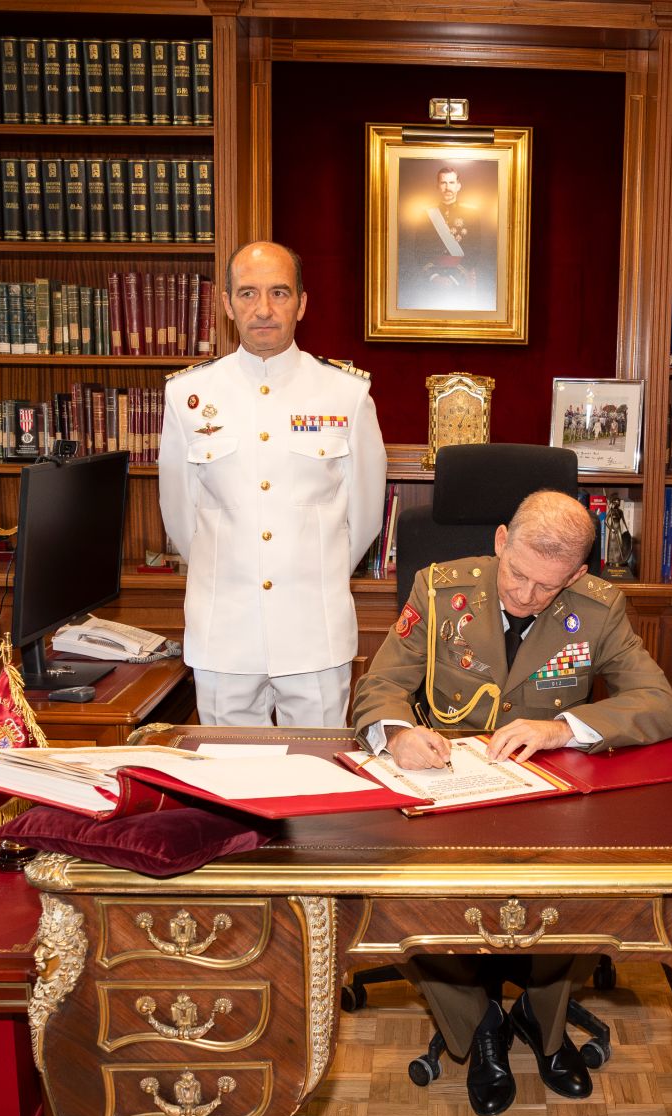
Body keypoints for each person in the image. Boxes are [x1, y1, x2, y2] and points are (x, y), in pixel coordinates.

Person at [351, 490, 672, 1116]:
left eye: (547, 587)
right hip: (447, 789)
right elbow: (381, 683)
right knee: (408, 895)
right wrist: (396, 733)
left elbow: (661, 705)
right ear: (501, 540)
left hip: (547, 796)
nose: (527, 596)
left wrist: (565, 727)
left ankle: (543, 1019)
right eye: (518, 576)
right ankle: (475, 1029)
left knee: (577, 886)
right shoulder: (439, 587)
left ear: (578, 575)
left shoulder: (599, 610)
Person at [158, 241, 388, 726]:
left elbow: (364, 519)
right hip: (224, 633)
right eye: (247, 293)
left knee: (318, 781)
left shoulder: (347, 394)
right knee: (229, 789)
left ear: (302, 303)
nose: (263, 309)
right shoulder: (187, 396)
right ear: (226, 304)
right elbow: (181, 519)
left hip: (314, 633)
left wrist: (309, 573)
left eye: (279, 292)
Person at [401, 162, 495, 311]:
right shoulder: (426, 213)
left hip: (461, 278)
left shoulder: (472, 213)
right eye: (443, 183)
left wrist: (454, 278)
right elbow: (419, 250)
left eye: (451, 182)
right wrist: (434, 277)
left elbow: (475, 250)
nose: (447, 187)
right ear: (437, 186)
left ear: (458, 185)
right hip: (431, 279)